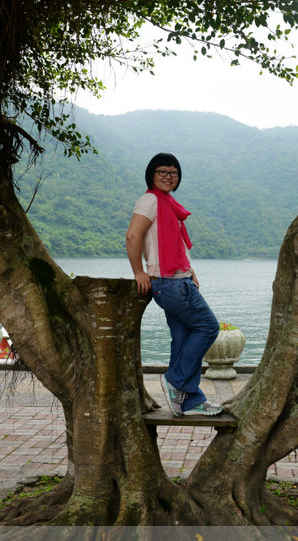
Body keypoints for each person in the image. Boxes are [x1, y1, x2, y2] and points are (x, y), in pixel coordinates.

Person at [126, 153, 222, 417]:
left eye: (173, 172)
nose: (168, 176)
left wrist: (190, 271)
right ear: (151, 175)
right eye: (162, 172)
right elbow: (133, 236)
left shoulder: (169, 203)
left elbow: (174, 246)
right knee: (208, 327)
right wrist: (138, 272)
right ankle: (176, 381)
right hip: (168, 284)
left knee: (181, 339)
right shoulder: (150, 200)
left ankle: (189, 402)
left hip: (179, 280)